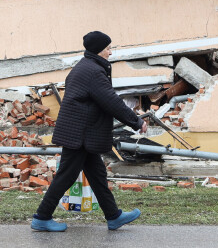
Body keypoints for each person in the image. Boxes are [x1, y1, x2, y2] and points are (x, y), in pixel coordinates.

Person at [31, 31, 148, 232]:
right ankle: (42, 217)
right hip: (80, 133)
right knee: (66, 175)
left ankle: (113, 216)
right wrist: (136, 122)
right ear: (99, 50)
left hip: (84, 132)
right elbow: (111, 100)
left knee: (97, 174)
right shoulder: (92, 71)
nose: (110, 52)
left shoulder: (85, 67)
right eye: (108, 48)